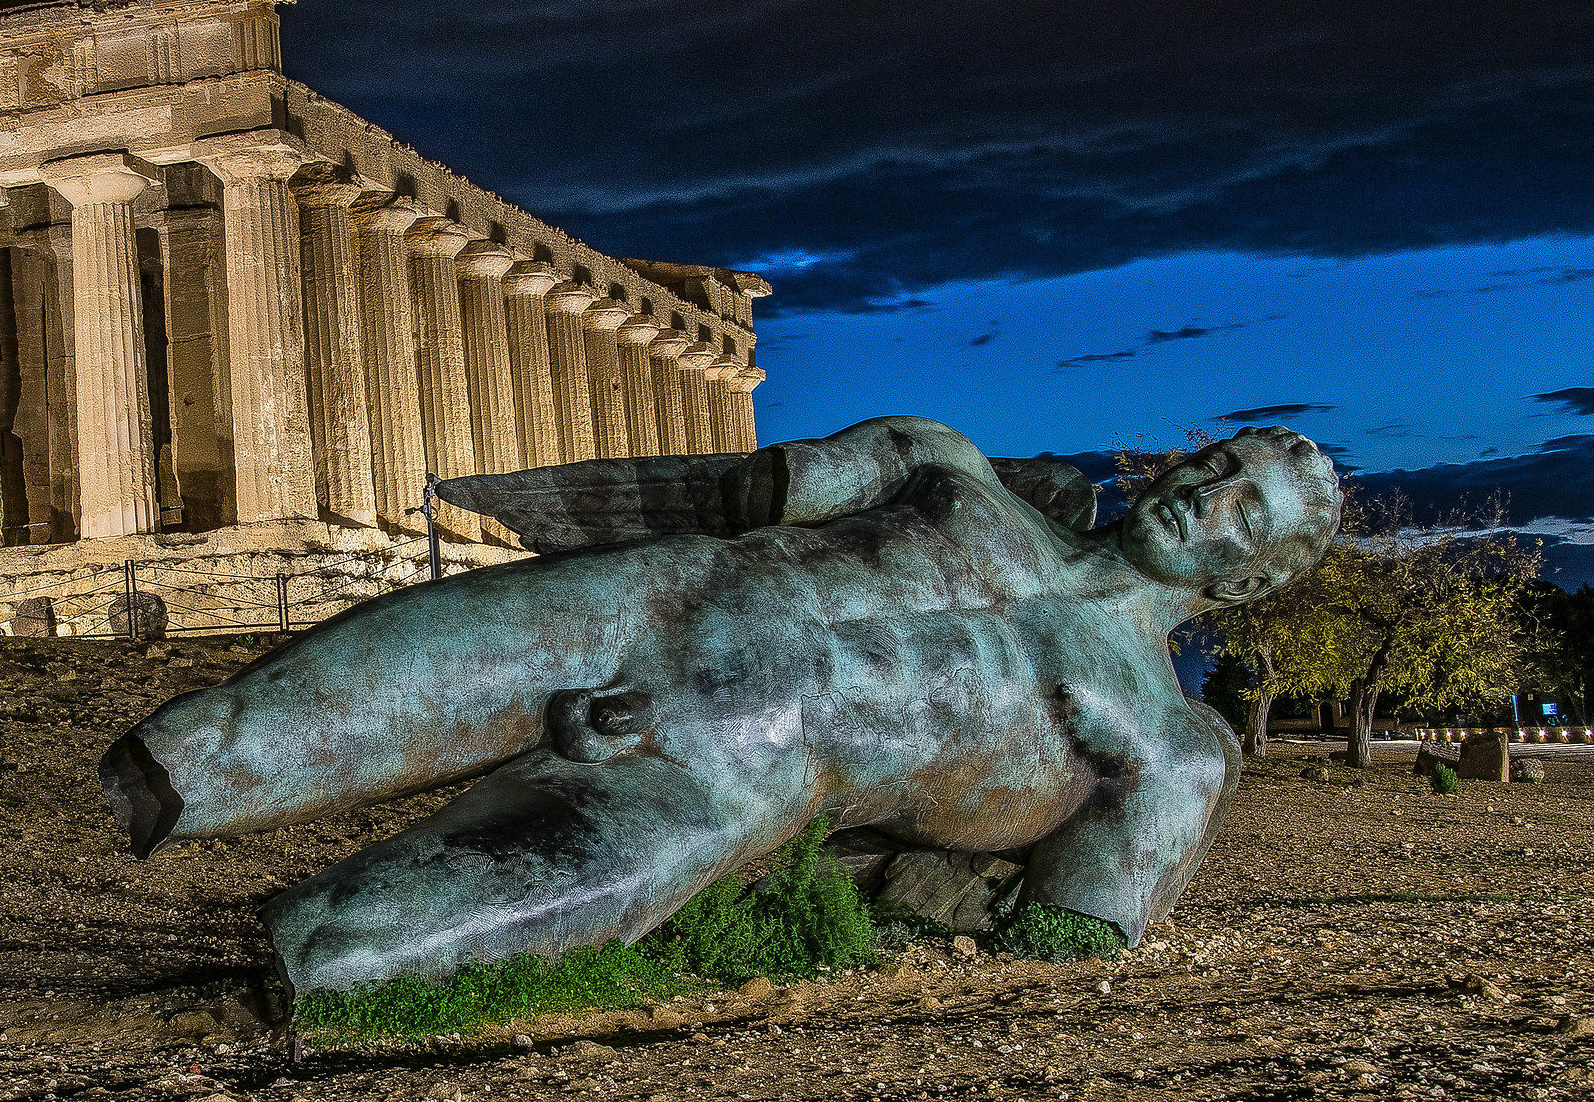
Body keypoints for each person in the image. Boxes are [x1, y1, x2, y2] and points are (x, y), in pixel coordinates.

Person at [99, 418, 1341, 997]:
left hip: (738, 777)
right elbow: (759, 492)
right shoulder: (955, 467)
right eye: (1217, 465)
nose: (1207, 498)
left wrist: (883, 895)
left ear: (1262, 572)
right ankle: (169, 788)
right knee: (214, 746)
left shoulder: (1170, 746)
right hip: (645, 605)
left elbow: (1071, 937)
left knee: (338, 950)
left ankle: (284, 973)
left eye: (1247, 512)